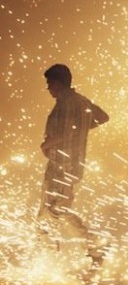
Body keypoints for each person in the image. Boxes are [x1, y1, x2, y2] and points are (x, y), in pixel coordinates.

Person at [38, 64, 109, 264]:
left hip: (63, 166)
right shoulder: (80, 101)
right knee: (51, 212)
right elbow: (103, 117)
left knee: (54, 212)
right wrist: (83, 128)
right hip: (68, 165)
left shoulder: (66, 103)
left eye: (49, 83)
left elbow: (66, 132)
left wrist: (46, 144)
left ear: (58, 83)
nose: (48, 88)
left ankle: (92, 244)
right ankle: (51, 255)